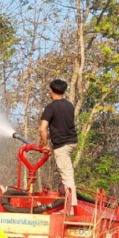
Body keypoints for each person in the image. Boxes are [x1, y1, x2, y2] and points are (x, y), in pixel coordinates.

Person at [39, 78, 79, 210]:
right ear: (64, 91)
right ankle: (66, 204)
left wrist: (45, 145)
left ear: (51, 91)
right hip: (72, 142)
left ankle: (70, 208)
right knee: (65, 174)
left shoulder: (50, 108)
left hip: (62, 146)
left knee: (67, 176)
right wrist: (47, 138)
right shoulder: (69, 106)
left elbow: (42, 128)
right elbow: (61, 127)